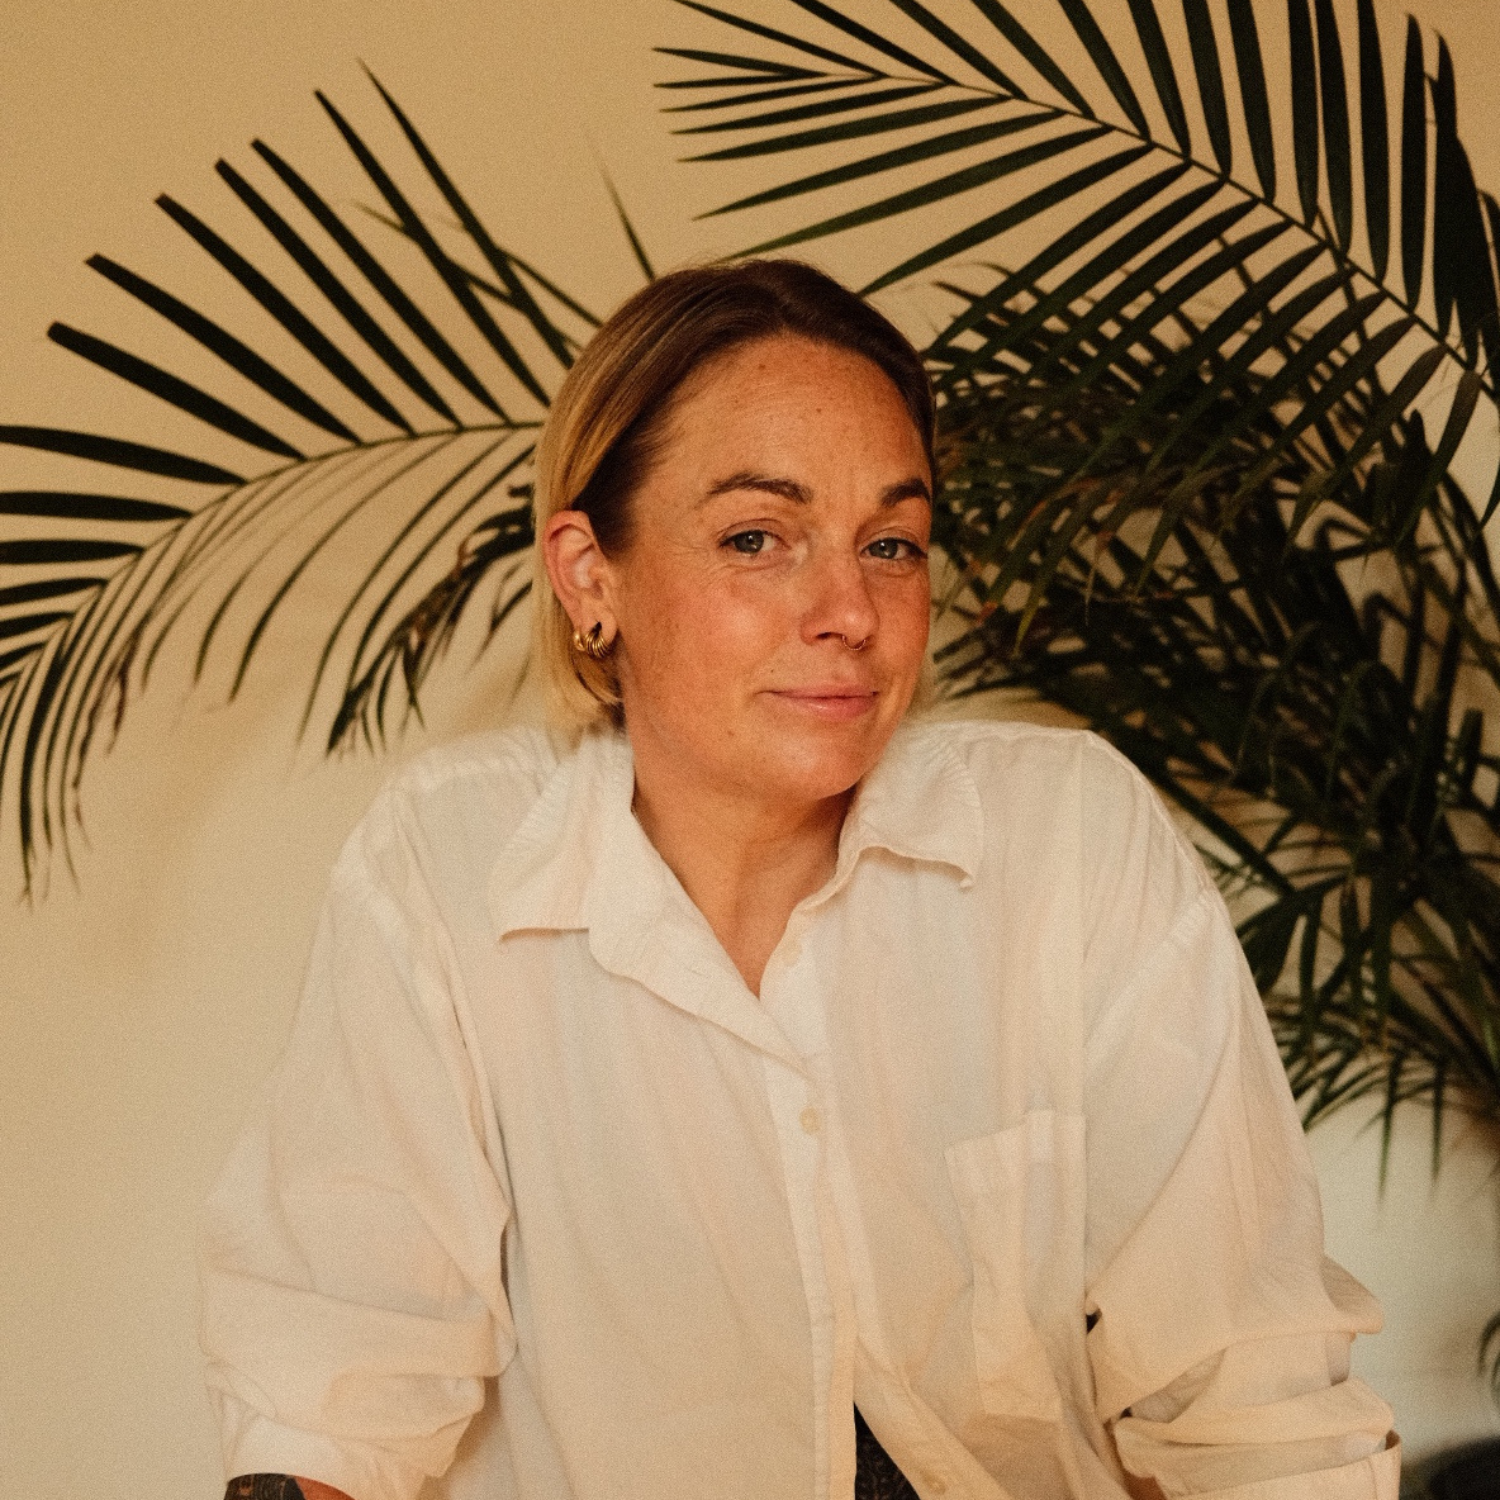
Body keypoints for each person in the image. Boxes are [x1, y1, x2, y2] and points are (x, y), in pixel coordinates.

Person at [200, 259, 1399, 1500]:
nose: (850, 611)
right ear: (590, 575)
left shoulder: (1069, 840)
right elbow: (331, 1398)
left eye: (891, 544)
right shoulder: (445, 868)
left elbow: (1254, 1399)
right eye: (756, 539)